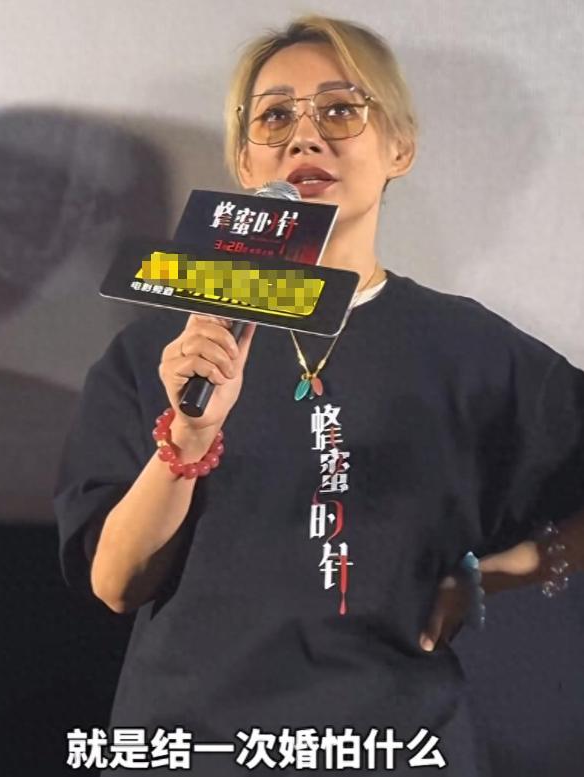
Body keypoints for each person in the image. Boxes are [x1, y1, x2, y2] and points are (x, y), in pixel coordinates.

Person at [53, 15, 584, 776]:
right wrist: (188, 438)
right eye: (275, 117)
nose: (305, 137)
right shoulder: (160, 355)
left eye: (340, 110)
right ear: (246, 160)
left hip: (396, 743)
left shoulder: (470, 348)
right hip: (198, 743)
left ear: (399, 146)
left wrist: (506, 572)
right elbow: (115, 582)